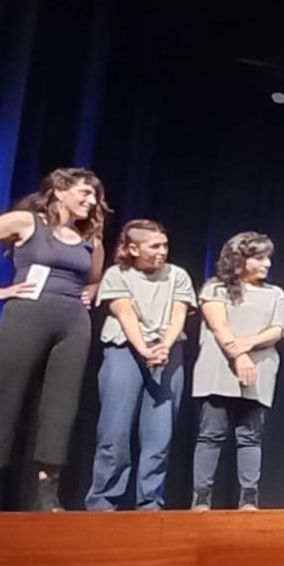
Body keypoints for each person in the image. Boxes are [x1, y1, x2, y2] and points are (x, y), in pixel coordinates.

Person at [0, 167, 108, 511]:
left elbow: (95, 277)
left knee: (60, 406)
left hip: (73, 323)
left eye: (95, 196)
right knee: (5, 397)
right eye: (85, 192)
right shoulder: (25, 222)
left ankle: (47, 492)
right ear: (60, 190)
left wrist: (91, 292)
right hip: (28, 316)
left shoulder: (90, 239)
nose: (92, 201)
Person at [86, 219, 196, 511]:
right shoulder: (117, 274)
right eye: (155, 246)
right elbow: (125, 314)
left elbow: (178, 315)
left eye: (165, 245)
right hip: (125, 348)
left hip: (167, 352)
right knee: (115, 429)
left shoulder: (177, 275)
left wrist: (164, 347)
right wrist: (144, 349)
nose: (162, 251)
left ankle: (150, 501)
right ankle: (103, 501)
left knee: (160, 432)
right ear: (133, 249)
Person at [191, 232, 284, 511]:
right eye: (259, 258)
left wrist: (248, 344)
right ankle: (201, 497)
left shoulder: (275, 294)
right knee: (211, 434)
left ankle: (248, 498)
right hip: (218, 370)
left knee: (250, 437)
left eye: (268, 258)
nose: (267, 264)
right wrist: (239, 354)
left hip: (258, 372)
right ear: (239, 259)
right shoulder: (215, 288)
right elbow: (219, 326)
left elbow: (277, 329)